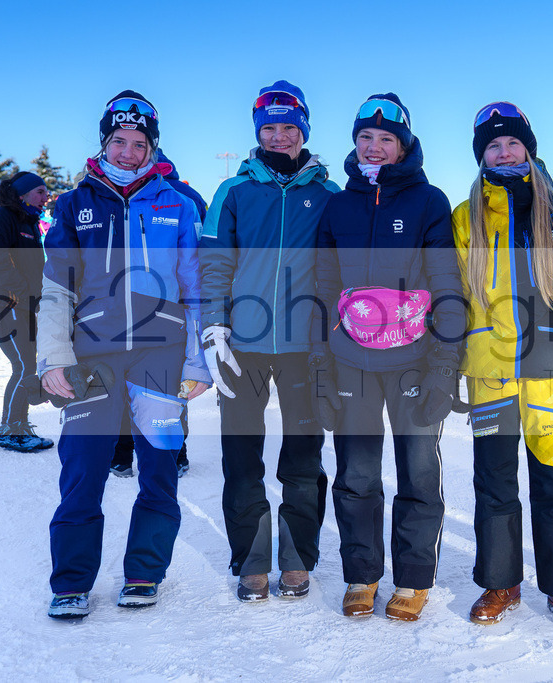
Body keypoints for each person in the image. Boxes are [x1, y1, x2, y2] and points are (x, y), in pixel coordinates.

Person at [37, 90, 211, 619]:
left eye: (139, 143)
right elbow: (56, 289)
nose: (128, 151)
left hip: (160, 357)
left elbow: (195, 287)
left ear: (152, 147)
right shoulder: (74, 205)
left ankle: (143, 573)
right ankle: (71, 583)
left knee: (158, 470)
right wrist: (53, 357)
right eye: (119, 140)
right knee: (83, 470)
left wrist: (197, 361)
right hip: (92, 356)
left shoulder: (179, 203)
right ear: (104, 142)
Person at [312, 93, 465, 621]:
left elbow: (447, 282)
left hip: (413, 360)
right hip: (350, 359)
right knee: (356, 475)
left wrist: (446, 366)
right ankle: (362, 574)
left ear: (403, 146)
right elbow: (323, 285)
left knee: (418, 473)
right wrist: (319, 366)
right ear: (355, 143)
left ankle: (414, 579)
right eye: (365, 138)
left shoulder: (428, 201)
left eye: (386, 139)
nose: (374, 147)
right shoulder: (339, 204)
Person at [451, 102, 553, 632]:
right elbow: (453, 296)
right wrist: (451, 364)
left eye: (512, 142)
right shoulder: (464, 214)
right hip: (487, 368)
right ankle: (500, 582)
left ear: (529, 148)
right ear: (481, 155)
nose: (504, 151)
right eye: (493, 145)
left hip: (551, 366)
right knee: (494, 480)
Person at [199, 80, 338, 602]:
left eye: (289, 127)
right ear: (257, 132)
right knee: (242, 456)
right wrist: (215, 325)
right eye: (269, 128)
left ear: (303, 131)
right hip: (244, 345)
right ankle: (251, 558)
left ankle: (298, 556)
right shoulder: (233, 193)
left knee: (303, 457)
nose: (279, 136)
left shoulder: (327, 195)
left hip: (306, 348)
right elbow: (213, 264)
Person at [110, 147, 208, 478]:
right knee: (169, 384)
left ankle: (124, 454)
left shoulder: (180, 199)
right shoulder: (189, 195)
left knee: (131, 384)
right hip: (170, 309)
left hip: (144, 307)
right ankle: (174, 452)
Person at [0, 172, 53, 452]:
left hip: (21, 304)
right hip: (2, 303)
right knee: (23, 366)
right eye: (40, 192)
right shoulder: (6, 217)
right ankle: (10, 430)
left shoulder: (31, 224)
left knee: (27, 366)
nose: (46, 197)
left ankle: (19, 426)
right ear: (22, 195)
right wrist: (23, 292)